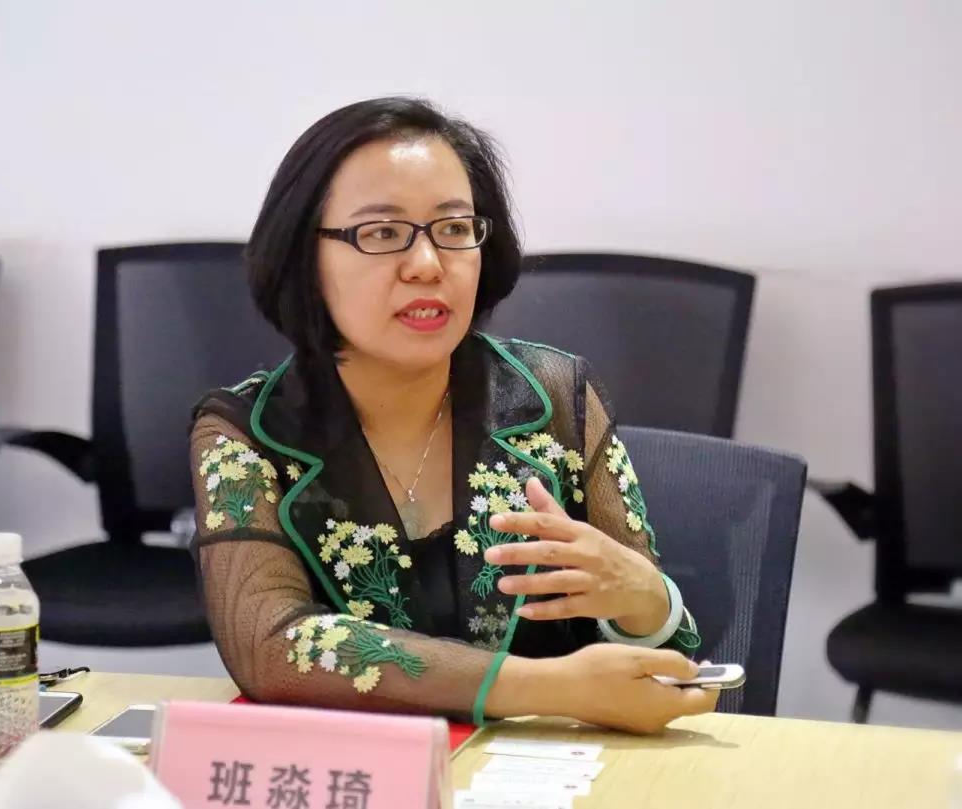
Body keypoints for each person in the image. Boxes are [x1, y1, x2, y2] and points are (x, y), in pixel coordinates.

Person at [189, 97, 717, 733]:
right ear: (305, 256)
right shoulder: (245, 433)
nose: (427, 265)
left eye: (454, 228)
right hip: (366, 772)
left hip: (557, 772)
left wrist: (649, 603)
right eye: (382, 233)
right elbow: (270, 644)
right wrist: (548, 689)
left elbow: (670, 665)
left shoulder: (555, 396)